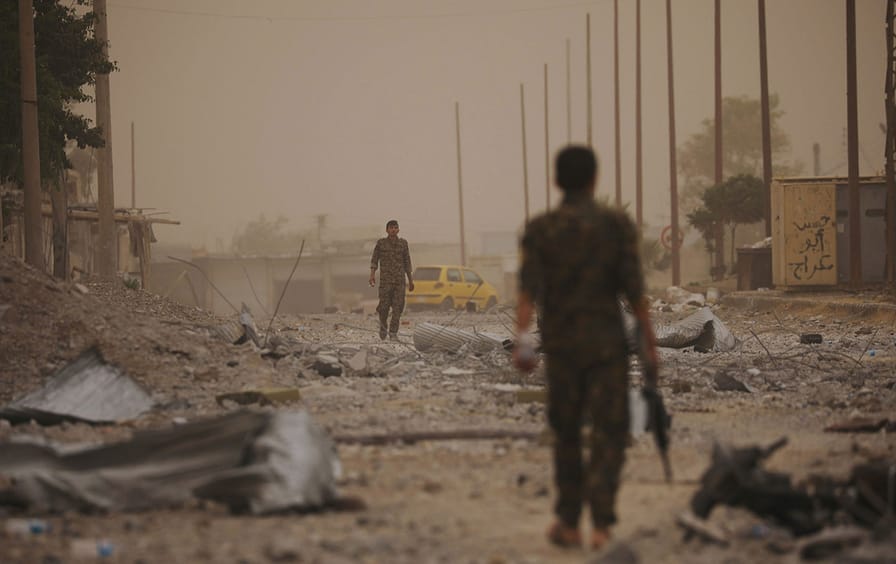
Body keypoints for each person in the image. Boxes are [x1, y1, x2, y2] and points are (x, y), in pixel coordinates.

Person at [513, 145, 659, 551]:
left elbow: (527, 292)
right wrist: (650, 347)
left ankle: (569, 522)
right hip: (608, 347)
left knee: (567, 432)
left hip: (562, 349)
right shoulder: (616, 225)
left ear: (557, 181)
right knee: (609, 432)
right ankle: (603, 525)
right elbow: (636, 293)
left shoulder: (540, 228)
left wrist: (523, 343)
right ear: (595, 180)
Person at [369, 219, 414, 340]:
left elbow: (407, 262)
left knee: (398, 308)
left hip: (399, 282)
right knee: (383, 307)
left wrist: (410, 280)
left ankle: (393, 333)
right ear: (387, 230)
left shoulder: (403, 244)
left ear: (398, 229)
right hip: (386, 282)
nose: (393, 230)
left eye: (395, 227)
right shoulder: (381, 243)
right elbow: (374, 260)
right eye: (391, 228)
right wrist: (372, 274)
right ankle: (383, 326)